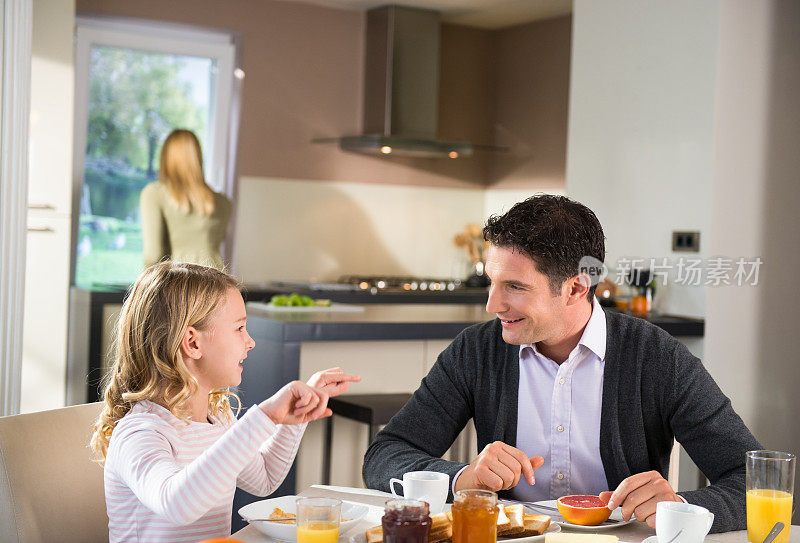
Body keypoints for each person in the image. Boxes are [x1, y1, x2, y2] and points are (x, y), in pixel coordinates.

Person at [362, 195, 760, 533]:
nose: (492, 305)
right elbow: (386, 455)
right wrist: (463, 478)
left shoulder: (656, 358)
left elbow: (757, 485)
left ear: (575, 288)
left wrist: (678, 507)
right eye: (491, 282)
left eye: (514, 287)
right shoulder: (476, 351)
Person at [90, 261, 361, 542]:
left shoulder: (217, 419)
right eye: (239, 328)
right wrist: (265, 416)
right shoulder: (141, 432)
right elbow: (177, 504)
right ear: (192, 343)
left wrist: (295, 414)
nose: (250, 341)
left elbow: (264, 478)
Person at [140, 129, 232, 270]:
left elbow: (154, 255)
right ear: (198, 158)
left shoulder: (154, 193)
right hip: (220, 283)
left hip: (181, 285)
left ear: (165, 157)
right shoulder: (223, 202)